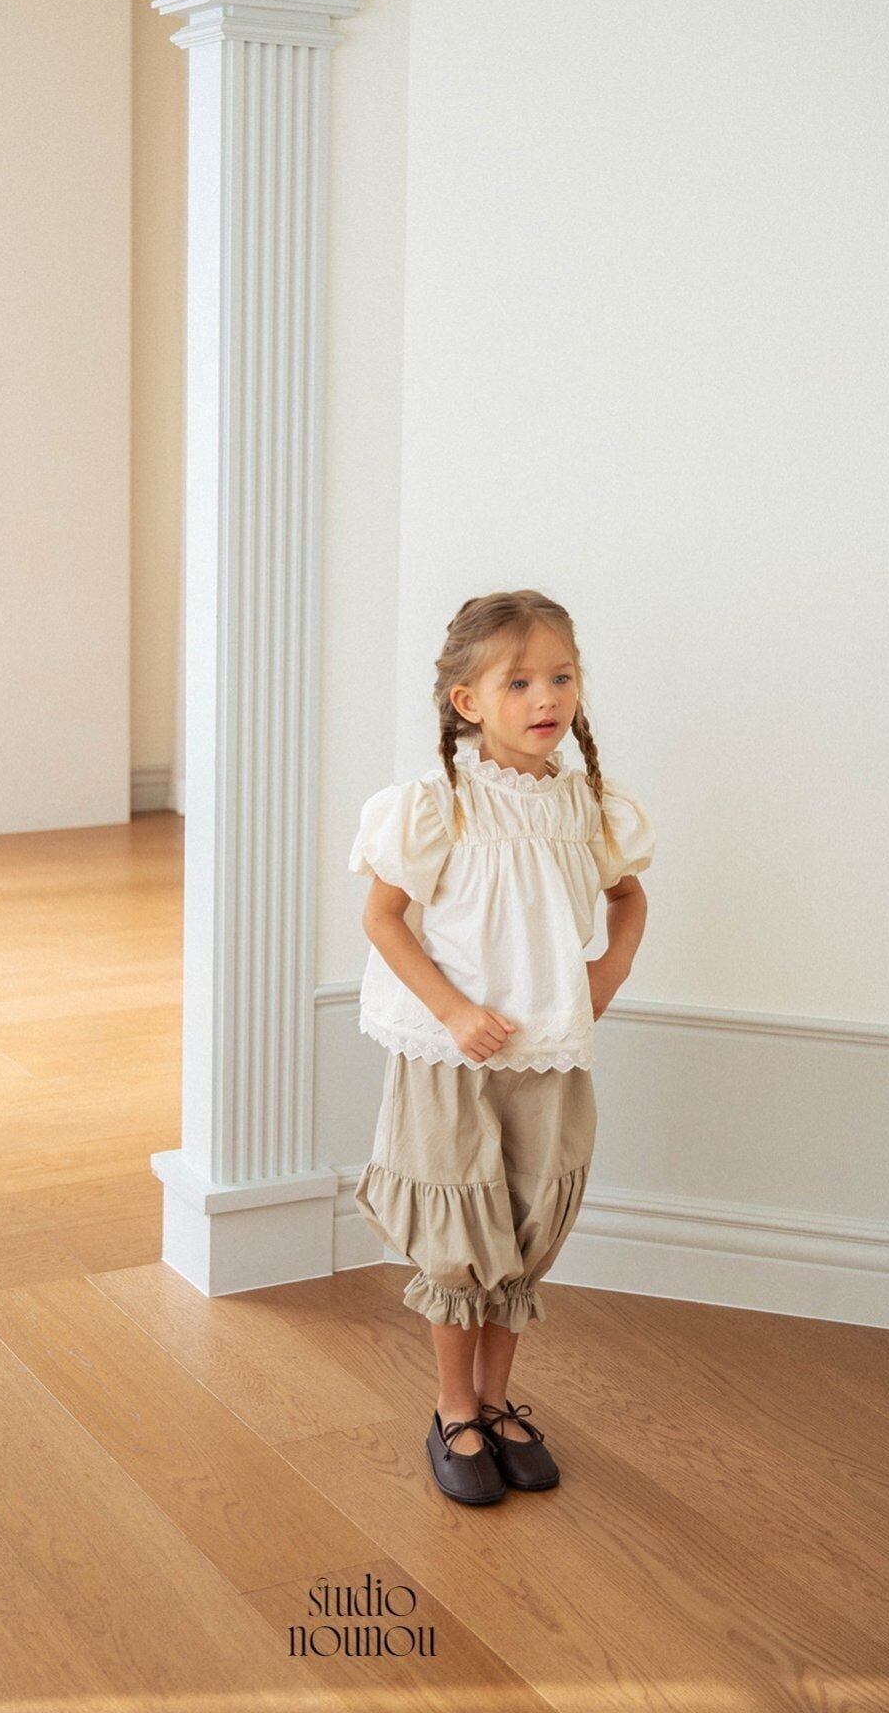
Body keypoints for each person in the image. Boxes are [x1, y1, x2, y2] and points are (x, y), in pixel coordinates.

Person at [348, 589, 655, 1504]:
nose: (545, 697)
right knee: (460, 1236)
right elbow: (382, 917)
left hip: (547, 1052)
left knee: (521, 1225)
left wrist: (607, 973)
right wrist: (451, 1011)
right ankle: (454, 1409)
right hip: (453, 1060)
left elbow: (628, 898)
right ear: (468, 701)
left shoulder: (588, 807)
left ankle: (496, 1400)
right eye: (518, 682)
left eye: (560, 677)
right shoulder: (437, 806)